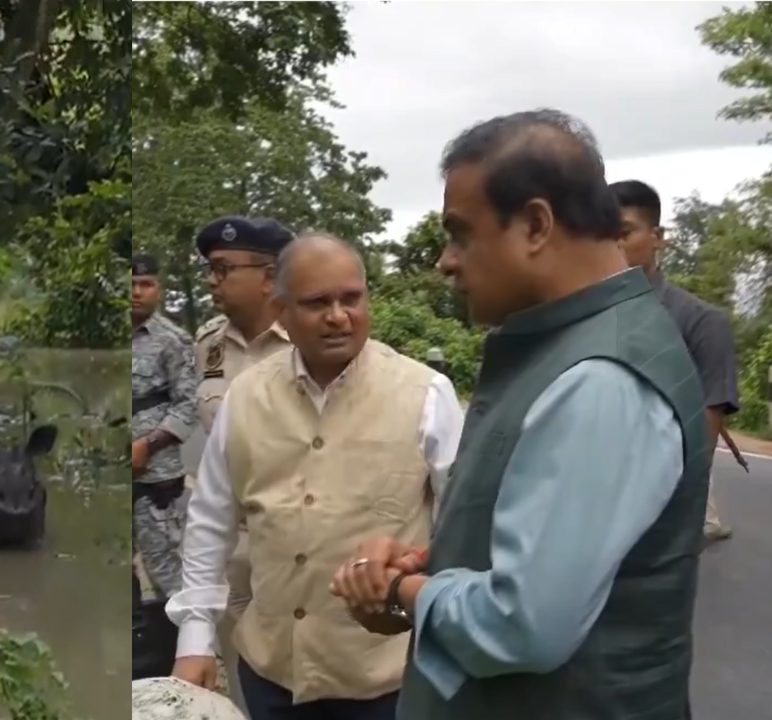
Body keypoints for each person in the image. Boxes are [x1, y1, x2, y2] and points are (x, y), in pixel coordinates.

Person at [332, 110, 710, 720]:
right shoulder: (569, 348)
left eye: (460, 233)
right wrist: (437, 564)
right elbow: (553, 551)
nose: (445, 261)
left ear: (536, 224)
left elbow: (522, 624)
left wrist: (402, 592)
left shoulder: (601, 379)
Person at [168, 232, 465, 720]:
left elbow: (463, 526)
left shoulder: (426, 394)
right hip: (270, 675)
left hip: (386, 680)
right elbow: (210, 521)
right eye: (317, 303)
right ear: (281, 311)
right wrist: (195, 638)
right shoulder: (244, 397)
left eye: (351, 299)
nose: (338, 316)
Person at [192, 215, 297, 713]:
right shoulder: (208, 343)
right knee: (244, 680)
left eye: (223, 269)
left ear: (269, 275)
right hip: (234, 550)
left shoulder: (309, 341)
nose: (212, 281)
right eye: (209, 271)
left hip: (297, 544)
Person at [610, 178, 739, 543]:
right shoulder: (571, 316)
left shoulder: (700, 322)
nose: (614, 243)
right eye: (602, 233)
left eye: (624, 232)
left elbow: (706, 428)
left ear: (657, 236)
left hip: (656, 515)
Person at [131, 253, 201, 598]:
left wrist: (148, 445)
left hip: (155, 476)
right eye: (130, 285)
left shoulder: (173, 340)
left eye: (146, 284)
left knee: (165, 568)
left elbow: (189, 403)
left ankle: (187, 645)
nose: (138, 292)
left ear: (158, 289)